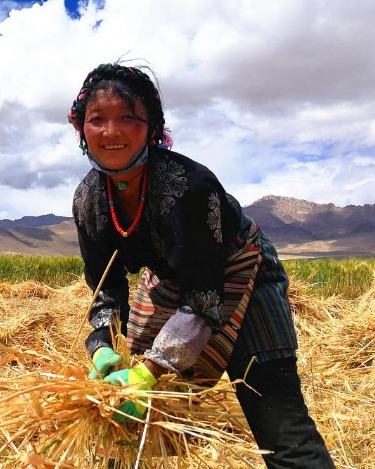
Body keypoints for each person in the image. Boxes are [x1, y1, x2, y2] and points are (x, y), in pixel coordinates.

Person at [68, 62, 335, 468]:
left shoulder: (188, 188)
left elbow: (205, 297)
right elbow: (106, 286)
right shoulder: (89, 200)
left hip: (242, 274)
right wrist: (104, 346)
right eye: (97, 120)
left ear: (151, 127)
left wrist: (148, 372)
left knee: (283, 432)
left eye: (128, 118)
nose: (111, 132)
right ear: (81, 128)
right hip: (172, 285)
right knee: (121, 420)